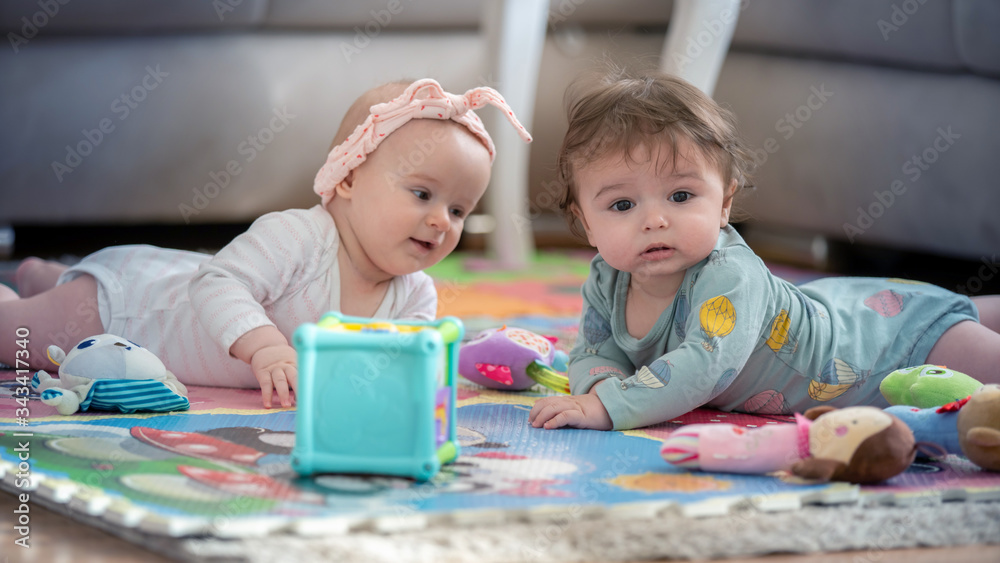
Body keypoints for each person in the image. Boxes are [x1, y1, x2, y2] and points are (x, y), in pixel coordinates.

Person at [0, 78, 532, 408]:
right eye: (422, 193)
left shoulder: (414, 295)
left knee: (57, 285)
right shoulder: (299, 236)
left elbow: (396, 365)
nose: (441, 221)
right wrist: (267, 347)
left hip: (148, 286)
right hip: (122, 311)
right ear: (346, 179)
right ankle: (26, 293)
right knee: (20, 335)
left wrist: (450, 361)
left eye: (460, 210)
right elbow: (219, 280)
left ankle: (41, 273)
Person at [529, 70, 1000, 431]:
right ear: (585, 223)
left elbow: (702, 366)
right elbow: (595, 348)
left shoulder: (728, 275)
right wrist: (597, 387)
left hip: (894, 350)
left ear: (724, 204)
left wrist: (607, 408)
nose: (655, 220)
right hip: (846, 312)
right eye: (623, 204)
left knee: (965, 343)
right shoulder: (606, 278)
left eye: (680, 196)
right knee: (957, 312)